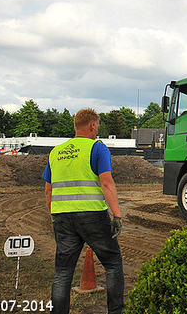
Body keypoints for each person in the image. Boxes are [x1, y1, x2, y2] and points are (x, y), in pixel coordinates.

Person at [43, 109, 124, 314]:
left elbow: (48, 189)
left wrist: (53, 216)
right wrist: (117, 215)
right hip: (92, 215)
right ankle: (116, 311)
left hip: (62, 216)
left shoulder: (56, 152)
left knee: (63, 272)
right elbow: (106, 183)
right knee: (113, 264)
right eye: (97, 125)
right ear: (92, 126)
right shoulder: (97, 148)